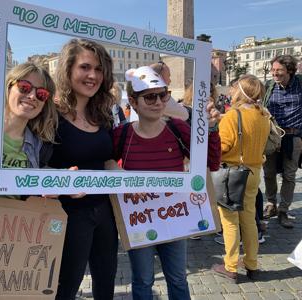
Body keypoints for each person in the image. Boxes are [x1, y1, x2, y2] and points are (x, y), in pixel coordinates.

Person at [114, 66, 221, 300]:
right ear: (133, 101)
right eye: (150, 96)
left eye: (163, 95)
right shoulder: (122, 135)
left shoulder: (176, 127)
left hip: (176, 218)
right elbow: (106, 166)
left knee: (177, 279)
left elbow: (210, 163)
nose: (158, 101)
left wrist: (211, 129)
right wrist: (123, 183)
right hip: (139, 220)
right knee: (142, 280)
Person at [48, 38, 117, 300]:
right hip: (68, 215)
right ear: (67, 70)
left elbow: (108, 159)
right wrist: (59, 180)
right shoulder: (50, 115)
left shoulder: (102, 114)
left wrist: (132, 182)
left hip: (104, 213)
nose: (93, 75)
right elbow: (34, 165)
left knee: (105, 283)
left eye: (99, 69)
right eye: (85, 67)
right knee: (65, 288)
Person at [211, 74, 270, 282]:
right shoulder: (263, 114)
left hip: (233, 174)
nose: (231, 91)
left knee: (230, 222)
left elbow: (223, 147)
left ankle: (231, 266)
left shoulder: (232, 115)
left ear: (241, 91)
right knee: (250, 220)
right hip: (254, 172)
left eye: (234, 87)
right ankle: (252, 265)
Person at [262, 55, 302, 228]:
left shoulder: (300, 84)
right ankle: (271, 204)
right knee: (269, 172)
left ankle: (284, 210)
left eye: (278, 70)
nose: (274, 73)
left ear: (290, 71)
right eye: (273, 70)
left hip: (294, 136)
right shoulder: (269, 86)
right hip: (272, 136)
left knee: (289, 175)